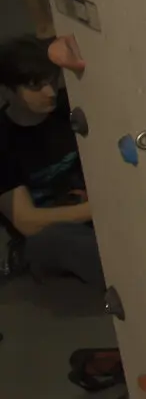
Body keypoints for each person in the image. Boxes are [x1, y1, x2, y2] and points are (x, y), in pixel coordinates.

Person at [1, 36, 101, 289]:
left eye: (52, 81)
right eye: (36, 86)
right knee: (67, 240)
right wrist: (98, 209)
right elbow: (27, 221)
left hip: (88, 210)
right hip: (46, 237)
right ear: (7, 90)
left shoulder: (67, 107)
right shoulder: (4, 141)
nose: (50, 93)